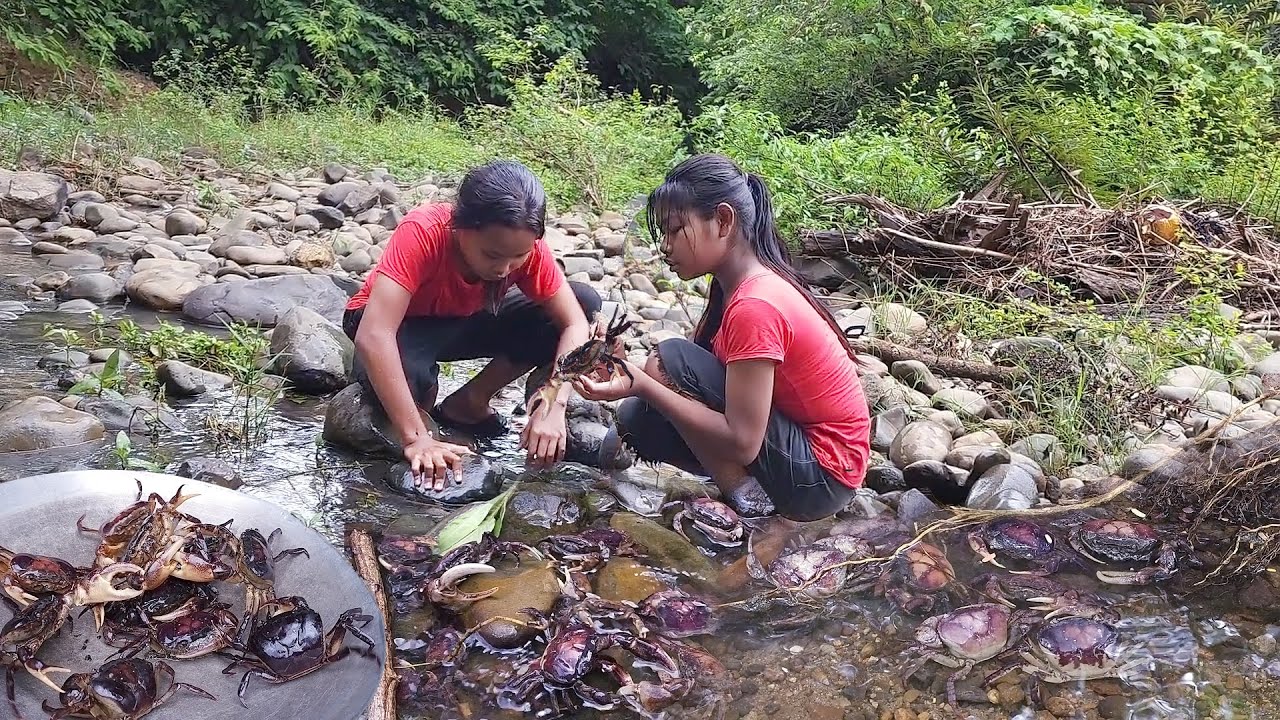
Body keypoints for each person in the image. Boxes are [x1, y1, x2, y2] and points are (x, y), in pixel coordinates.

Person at [574, 153, 870, 548]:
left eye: (675, 229)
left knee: (669, 360)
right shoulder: (737, 288)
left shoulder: (756, 304)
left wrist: (643, 382)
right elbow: (697, 391)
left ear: (724, 221)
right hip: (804, 458)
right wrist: (624, 368)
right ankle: (751, 490)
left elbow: (742, 439)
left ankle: (753, 506)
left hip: (821, 476)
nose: (665, 246)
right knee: (637, 418)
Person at [343, 160, 601, 491]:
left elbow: (575, 323)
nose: (505, 269)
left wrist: (553, 403)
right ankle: (426, 414)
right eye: (492, 255)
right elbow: (375, 334)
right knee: (411, 390)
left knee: (584, 301)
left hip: (458, 320)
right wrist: (416, 438)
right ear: (460, 225)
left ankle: (469, 402)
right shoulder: (425, 231)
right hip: (396, 324)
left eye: (518, 256)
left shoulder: (523, 248)